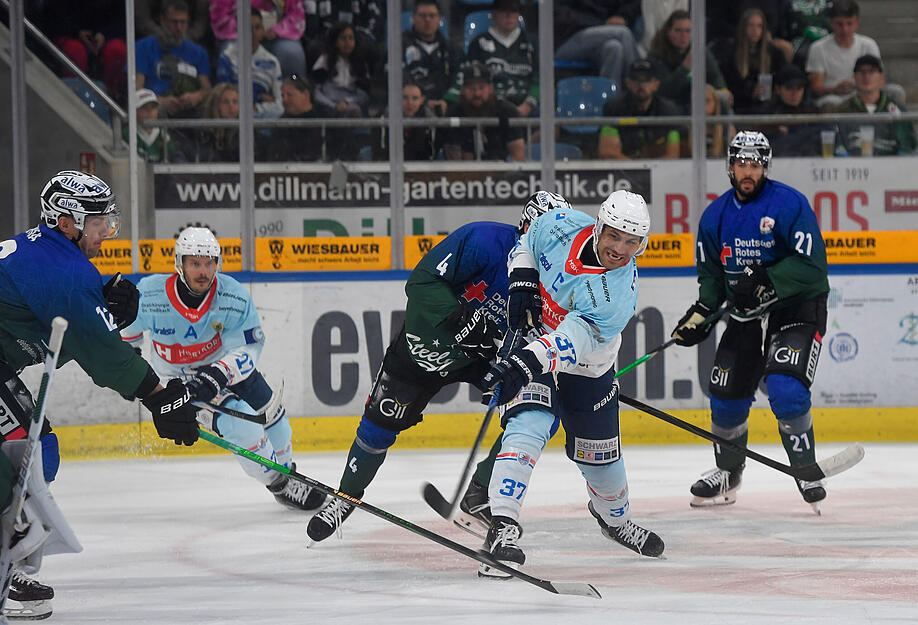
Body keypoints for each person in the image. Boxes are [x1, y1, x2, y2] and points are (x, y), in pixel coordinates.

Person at [305, 191, 573, 544]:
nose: (550, 247)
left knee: (538, 411)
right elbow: (420, 283)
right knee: (378, 425)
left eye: (559, 239)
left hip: (489, 354)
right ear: (525, 225)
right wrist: (460, 318)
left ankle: (479, 494)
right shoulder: (483, 240)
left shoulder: (561, 278)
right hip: (432, 343)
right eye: (543, 234)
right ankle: (346, 496)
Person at [0, 171, 200, 614]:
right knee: (24, 458)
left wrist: (101, 306)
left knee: (33, 453)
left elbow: (65, 334)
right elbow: (100, 352)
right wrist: (157, 395)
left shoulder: (49, 256)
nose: (106, 232)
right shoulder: (63, 272)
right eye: (97, 222)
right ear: (67, 222)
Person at [476, 189, 665, 576]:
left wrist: (524, 362)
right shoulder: (561, 225)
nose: (620, 248)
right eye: (615, 235)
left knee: (603, 466)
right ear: (599, 226)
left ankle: (614, 521)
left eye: (632, 242)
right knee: (526, 427)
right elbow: (527, 242)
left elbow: (571, 342)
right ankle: (502, 526)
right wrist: (524, 279)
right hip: (539, 350)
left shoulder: (617, 293)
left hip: (586, 370)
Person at [670, 131, 830, 513]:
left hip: (796, 309)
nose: (748, 171)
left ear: (765, 166)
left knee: (786, 389)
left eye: (755, 164)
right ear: (729, 166)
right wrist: (699, 316)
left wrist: (766, 279)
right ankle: (728, 471)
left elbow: (813, 267)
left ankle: (805, 468)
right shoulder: (715, 216)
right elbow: (711, 279)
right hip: (745, 317)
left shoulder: (789, 204)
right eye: (741, 163)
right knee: (724, 397)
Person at [119, 228, 326, 512]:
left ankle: (288, 473)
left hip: (228, 370)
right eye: (195, 263)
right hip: (180, 383)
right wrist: (129, 372)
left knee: (277, 423)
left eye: (209, 263)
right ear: (179, 264)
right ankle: (280, 484)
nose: (203, 271)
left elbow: (248, 348)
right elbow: (127, 336)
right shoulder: (151, 294)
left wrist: (218, 373)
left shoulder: (232, 296)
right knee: (242, 428)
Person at [447, 0, 539, 118]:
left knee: (549, 120)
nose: (509, 16)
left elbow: (541, 78)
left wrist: (528, 104)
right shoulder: (479, 43)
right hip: (490, 105)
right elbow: (468, 78)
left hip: (526, 105)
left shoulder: (532, 43)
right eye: (504, 11)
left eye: (514, 11)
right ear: (494, 14)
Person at [136, 0, 213, 118]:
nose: (179, 28)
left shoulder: (199, 52)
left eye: (183, 22)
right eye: (174, 22)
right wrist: (159, 100)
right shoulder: (143, 47)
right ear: (162, 20)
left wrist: (196, 97)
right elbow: (137, 87)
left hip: (189, 108)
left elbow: (207, 88)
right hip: (155, 106)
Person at [647, 9, 730, 114]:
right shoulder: (656, 55)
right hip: (671, 104)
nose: (683, 36)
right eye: (678, 30)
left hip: (697, 100)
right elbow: (663, 91)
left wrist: (722, 91)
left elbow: (715, 76)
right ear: (668, 32)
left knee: (724, 105)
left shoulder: (700, 50)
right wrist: (685, 68)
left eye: (688, 31)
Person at [832, 55, 916, 156]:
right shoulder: (842, 110)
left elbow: (908, 147)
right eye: (861, 72)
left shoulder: (897, 110)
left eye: (872, 71)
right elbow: (837, 147)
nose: (866, 76)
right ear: (854, 77)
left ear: (881, 77)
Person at [597, 59, 681, 160]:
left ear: (656, 84)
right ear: (628, 82)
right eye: (636, 79)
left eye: (647, 80)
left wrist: (650, 170)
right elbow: (608, 152)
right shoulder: (613, 108)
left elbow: (672, 155)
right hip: (623, 172)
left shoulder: (669, 111)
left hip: (659, 171)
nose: (641, 85)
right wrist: (639, 170)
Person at [440, 61, 525, 162]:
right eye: (471, 88)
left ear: (491, 88)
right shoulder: (453, 113)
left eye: (481, 87)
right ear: (462, 90)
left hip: (501, 172)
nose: (477, 94)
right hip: (464, 173)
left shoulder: (507, 111)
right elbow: (454, 160)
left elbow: (518, 155)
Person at [805, 0, 880, 110]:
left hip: (863, 94)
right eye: (839, 24)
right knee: (831, 102)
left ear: (857, 23)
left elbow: (880, 80)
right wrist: (834, 89)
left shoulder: (869, 45)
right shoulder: (818, 48)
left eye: (849, 23)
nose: (845, 30)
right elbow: (816, 88)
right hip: (833, 97)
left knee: (895, 92)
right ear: (831, 23)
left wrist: (859, 86)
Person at [713, 8, 786, 114]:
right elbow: (729, 82)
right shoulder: (731, 51)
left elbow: (782, 76)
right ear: (743, 27)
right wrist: (750, 91)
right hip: (740, 105)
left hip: (767, 105)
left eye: (759, 26)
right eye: (751, 25)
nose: (755, 30)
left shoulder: (774, 52)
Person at [210, 0, 307, 78]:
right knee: (230, 53)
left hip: (278, 34)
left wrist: (277, 30)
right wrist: (248, 28)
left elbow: (296, 15)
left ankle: (293, 89)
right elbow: (219, 17)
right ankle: (234, 96)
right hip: (238, 32)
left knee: (292, 53)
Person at [554, 1, 641, 86]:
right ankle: (639, 84)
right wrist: (602, 24)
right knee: (623, 33)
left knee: (614, 47)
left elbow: (631, 4)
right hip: (567, 40)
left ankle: (611, 98)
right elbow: (562, 14)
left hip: (599, 36)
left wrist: (622, 16)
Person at [216, 9, 284, 119]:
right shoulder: (226, 57)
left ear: (263, 30)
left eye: (257, 27)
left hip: (261, 114)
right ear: (238, 30)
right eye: (247, 28)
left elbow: (280, 102)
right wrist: (259, 97)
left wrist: (256, 108)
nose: (252, 33)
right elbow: (225, 98)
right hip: (234, 114)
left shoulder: (272, 62)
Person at [402, 0, 460, 116]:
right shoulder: (400, 45)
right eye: (423, 16)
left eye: (432, 16)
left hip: (445, 105)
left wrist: (446, 100)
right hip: (412, 105)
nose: (427, 20)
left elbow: (459, 77)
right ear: (413, 18)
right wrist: (422, 101)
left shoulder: (450, 47)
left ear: (439, 19)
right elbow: (396, 77)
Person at [755, 64, 824, 157]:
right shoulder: (768, 113)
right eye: (789, 88)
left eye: (799, 88)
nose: (794, 93)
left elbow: (826, 133)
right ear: (777, 89)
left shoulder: (811, 110)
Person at [262, 75, 333, 162]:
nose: (285, 100)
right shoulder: (281, 124)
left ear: (306, 95)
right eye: (283, 96)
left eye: (289, 95)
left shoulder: (329, 116)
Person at [126, 88, 184, 163]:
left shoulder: (163, 135)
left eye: (153, 107)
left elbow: (174, 156)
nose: (149, 112)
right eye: (144, 107)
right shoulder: (126, 134)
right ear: (133, 111)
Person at [194, 82, 239, 162]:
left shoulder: (248, 134)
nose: (231, 106)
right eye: (225, 102)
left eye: (235, 102)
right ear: (215, 105)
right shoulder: (204, 134)